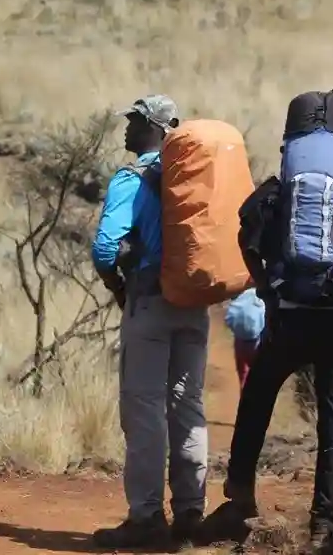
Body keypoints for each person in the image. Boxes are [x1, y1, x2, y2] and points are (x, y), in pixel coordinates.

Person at [223, 120, 333, 547]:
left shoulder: (291, 188)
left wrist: (267, 288)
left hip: (291, 318)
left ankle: (240, 494)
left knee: (259, 391)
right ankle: (325, 522)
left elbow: (248, 234)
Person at [91, 95, 209, 549]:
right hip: (194, 301)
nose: (127, 128)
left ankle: (145, 518)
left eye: (136, 121)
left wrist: (119, 289)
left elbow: (105, 248)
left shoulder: (133, 178)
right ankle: (190, 513)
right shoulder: (195, 177)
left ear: (156, 129)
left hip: (150, 300)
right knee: (188, 405)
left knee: (143, 410)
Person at [223, 288, 266, 392]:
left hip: (240, 339)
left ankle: (245, 404)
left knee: (243, 377)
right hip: (259, 339)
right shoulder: (264, 289)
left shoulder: (241, 289)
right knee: (261, 379)